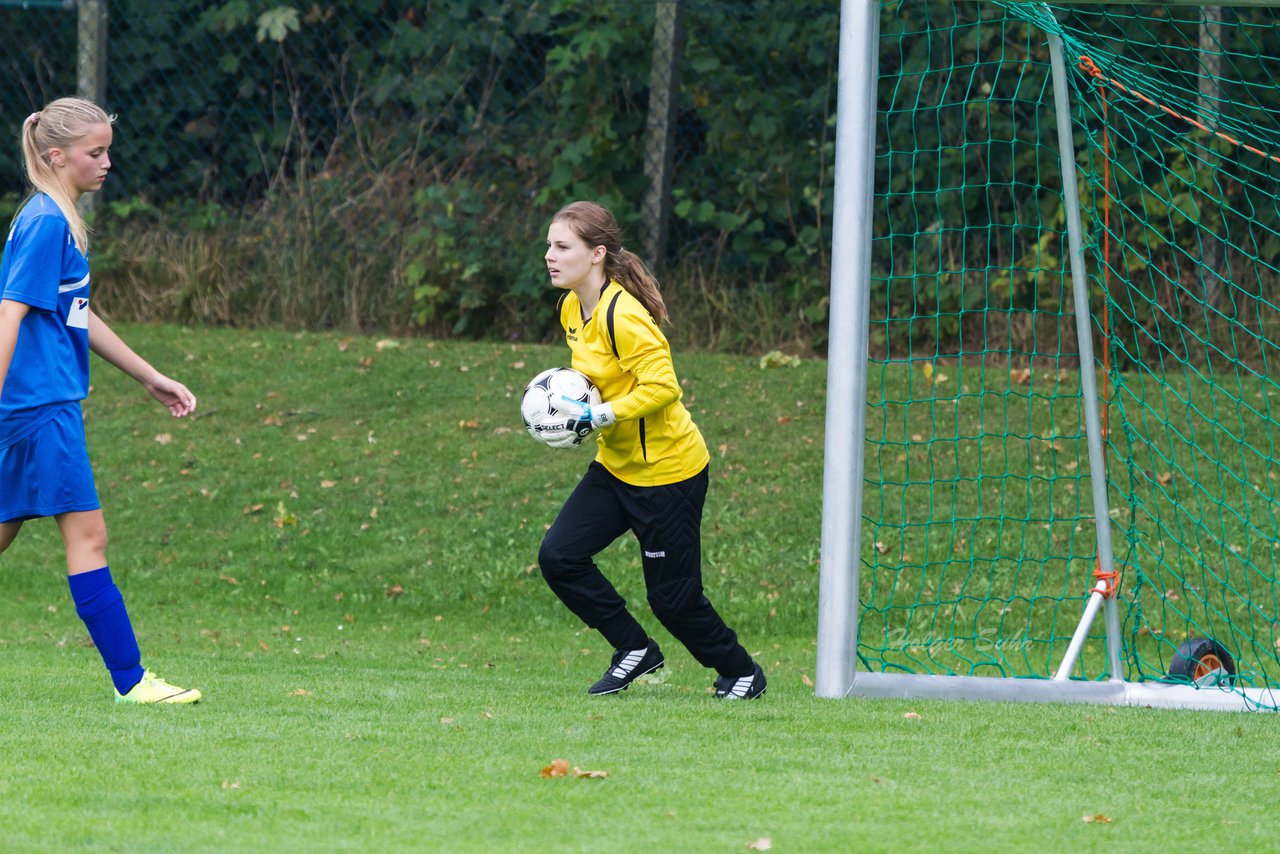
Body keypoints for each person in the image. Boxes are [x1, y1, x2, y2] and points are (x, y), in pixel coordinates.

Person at [0, 98, 201, 704]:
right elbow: (10, 310)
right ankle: (132, 681)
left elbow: (76, 318)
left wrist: (149, 375)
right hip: (43, 409)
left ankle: (131, 679)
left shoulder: (52, 217)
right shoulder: (45, 223)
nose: (107, 162)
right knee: (89, 536)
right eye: (96, 152)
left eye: (108, 149)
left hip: (34, 407)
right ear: (57, 155)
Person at [537, 200, 766, 699]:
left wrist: (600, 414)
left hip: (668, 473)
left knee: (674, 600)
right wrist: (568, 402)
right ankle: (633, 649)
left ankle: (741, 672)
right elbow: (601, 378)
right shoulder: (572, 308)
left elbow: (664, 387)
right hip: (616, 468)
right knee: (559, 556)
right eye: (549, 246)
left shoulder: (626, 315)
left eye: (562, 246)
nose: (550, 256)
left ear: (597, 254)